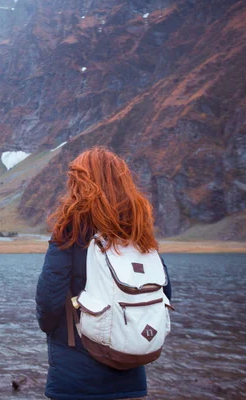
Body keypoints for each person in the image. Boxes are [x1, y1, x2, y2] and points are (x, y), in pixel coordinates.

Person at [35, 147, 172, 400]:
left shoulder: (69, 233)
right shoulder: (137, 235)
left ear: (78, 186)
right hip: (131, 372)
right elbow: (165, 293)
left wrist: (50, 327)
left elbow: (49, 301)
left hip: (76, 378)